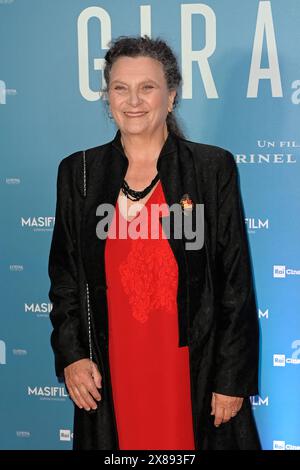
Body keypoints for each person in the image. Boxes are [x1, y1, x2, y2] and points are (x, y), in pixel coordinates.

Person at [48, 35, 261, 450]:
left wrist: (231, 377)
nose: (134, 101)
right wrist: (72, 357)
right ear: (107, 96)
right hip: (112, 375)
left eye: (147, 87)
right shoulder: (80, 173)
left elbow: (234, 281)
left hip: (189, 373)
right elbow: (65, 279)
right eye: (120, 88)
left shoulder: (210, 168)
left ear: (172, 94)